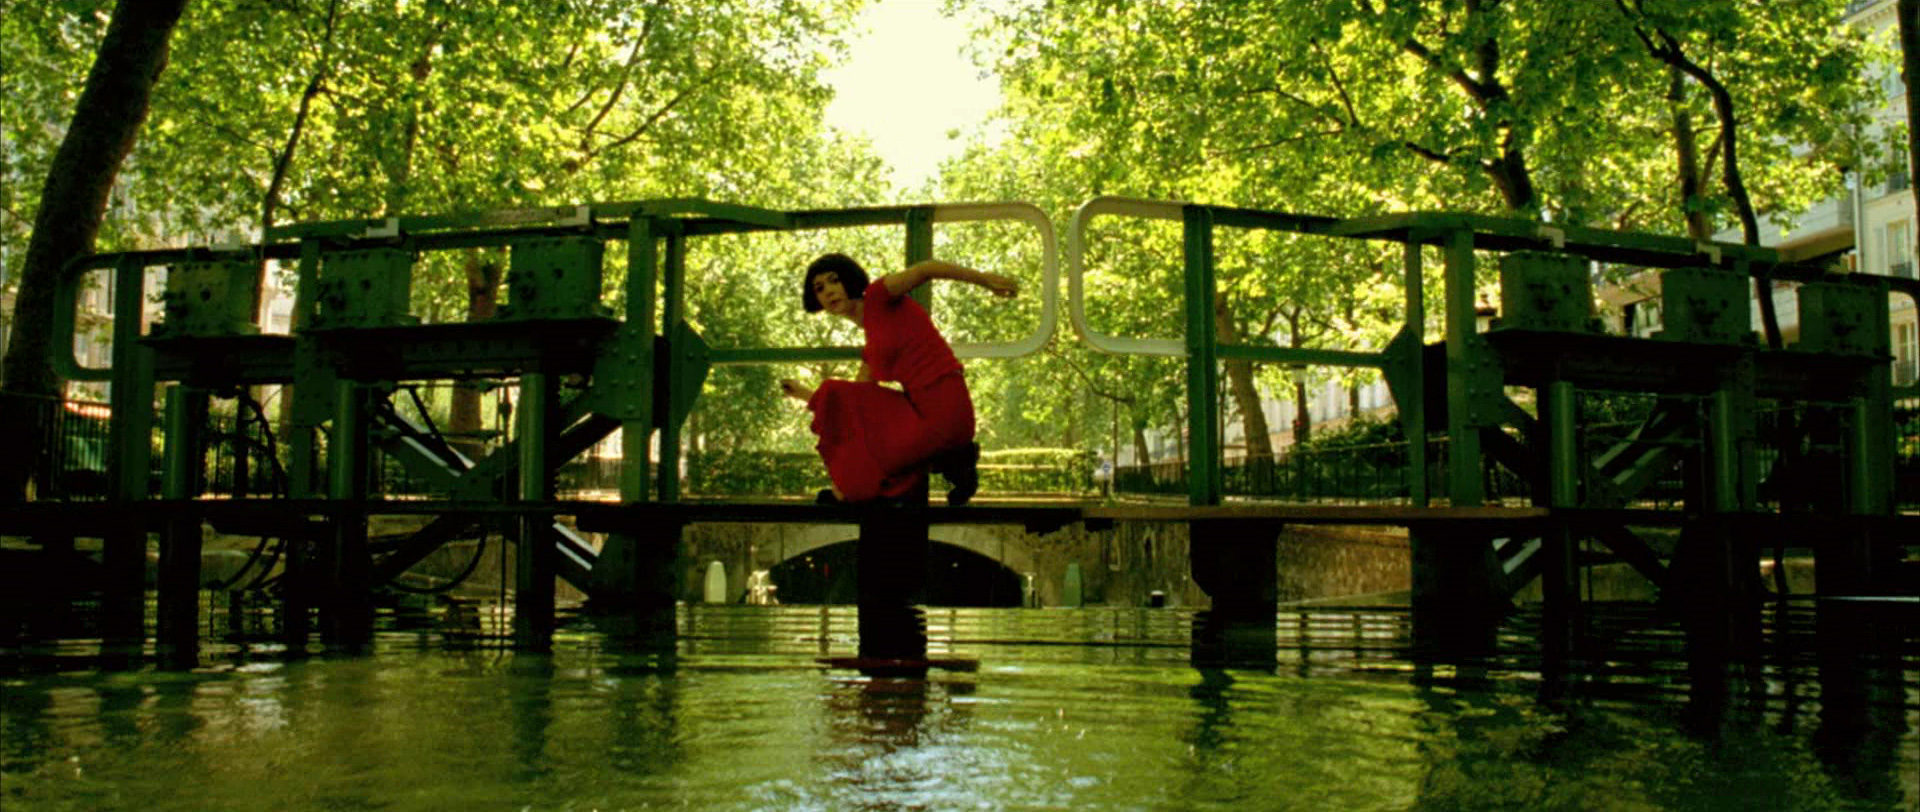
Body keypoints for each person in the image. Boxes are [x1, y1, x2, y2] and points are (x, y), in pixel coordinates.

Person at [779, 252, 1017, 505]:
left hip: (947, 408)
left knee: (879, 459)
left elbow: (927, 268)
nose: (828, 291)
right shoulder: (872, 347)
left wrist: (984, 280)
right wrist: (802, 393)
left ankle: (861, 488)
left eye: (834, 280)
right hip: (922, 414)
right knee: (847, 407)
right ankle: (943, 467)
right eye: (819, 288)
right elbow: (850, 405)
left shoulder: (880, 296)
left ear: (849, 279)